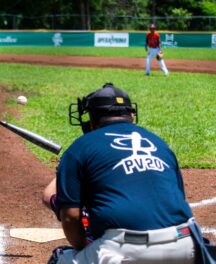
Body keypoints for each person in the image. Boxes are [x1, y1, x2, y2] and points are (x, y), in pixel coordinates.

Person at [44, 83, 198, 264]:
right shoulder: (160, 144)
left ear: (92, 116)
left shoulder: (81, 147)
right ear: (131, 114)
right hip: (186, 245)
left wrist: (81, 248)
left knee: (60, 259)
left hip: (125, 251)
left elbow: (70, 216)